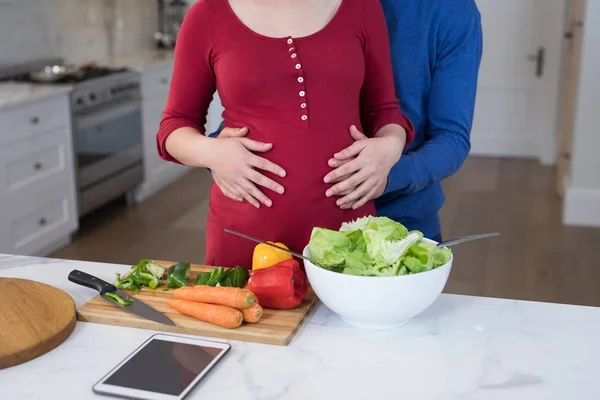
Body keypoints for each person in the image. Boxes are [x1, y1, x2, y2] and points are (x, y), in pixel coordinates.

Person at [156, 0, 415, 268]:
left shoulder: (362, 7)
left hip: (348, 234)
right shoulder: (207, 14)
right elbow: (174, 126)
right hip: (244, 236)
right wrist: (212, 152)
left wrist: (390, 146)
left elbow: (384, 110)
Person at [212, 0, 483, 242]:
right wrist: (219, 154)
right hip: (275, 224)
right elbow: (255, 102)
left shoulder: (452, 10)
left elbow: (451, 137)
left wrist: (384, 174)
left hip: (399, 230)